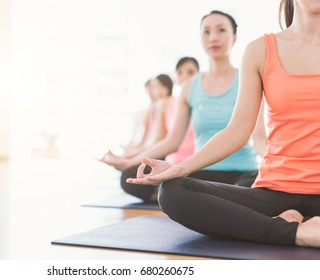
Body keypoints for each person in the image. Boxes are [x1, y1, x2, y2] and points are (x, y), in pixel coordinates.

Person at [127, 2, 320, 248]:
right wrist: (180, 168)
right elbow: (238, 131)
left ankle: (277, 227)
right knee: (173, 192)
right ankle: (297, 233)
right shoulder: (260, 50)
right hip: (275, 193)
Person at [102, 10, 264, 203]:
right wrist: (129, 161)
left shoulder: (248, 78)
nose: (213, 37)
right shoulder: (189, 87)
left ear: (234, 37)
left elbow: (259, 137)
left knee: (250, 189)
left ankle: (212, 204)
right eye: (206, 32)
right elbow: (172, 141)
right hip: (202, 171)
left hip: (242, 173)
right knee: (142, 181)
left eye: (221, 30)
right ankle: (221, 206)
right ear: (200, 38)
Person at [121, 75, 173, 159]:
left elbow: (160, 137)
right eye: (155, 86)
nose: (157, 90)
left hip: (163, 151)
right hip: (156, 148)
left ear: (168, 86)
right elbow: (148, 138)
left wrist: (137, 153)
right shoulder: (155, 107)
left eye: (161, 86)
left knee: (127, 168)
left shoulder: (164, 104)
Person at [165, 57, 200, 165]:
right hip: (172, 161)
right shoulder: (169, 103)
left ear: (199, 75)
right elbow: (166, 139)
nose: (185, 76)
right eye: (180, 73)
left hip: (195, 162)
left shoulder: (203, 101)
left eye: (190, 72)